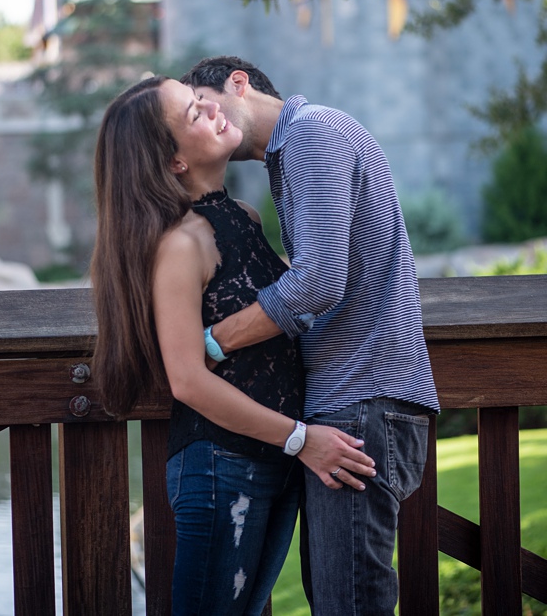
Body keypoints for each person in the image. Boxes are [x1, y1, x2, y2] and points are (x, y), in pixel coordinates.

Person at [91, 76, 375, 616]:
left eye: (201, 98)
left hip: (276, 461)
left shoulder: (243, 217)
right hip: (222, 468)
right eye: (193, 114)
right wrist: (299, 439)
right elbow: (187, 379)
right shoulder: (179, 245)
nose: (212, 107)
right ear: (174, 162)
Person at [181, 56, 440, 616]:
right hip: (356, 405)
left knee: (347, 604)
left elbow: (318, 282)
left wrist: (211, 343)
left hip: (361, 402)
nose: (202, 117)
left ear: (239, 84)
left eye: (202, 103)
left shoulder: (312, 133)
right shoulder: (291, 154)